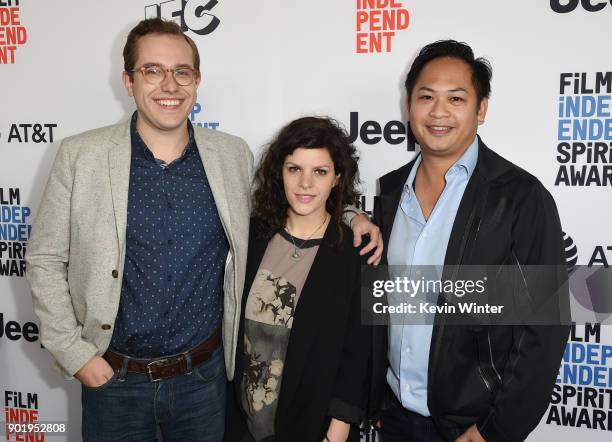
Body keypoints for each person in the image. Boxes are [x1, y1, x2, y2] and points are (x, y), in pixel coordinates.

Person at [25, 18, 381, 442]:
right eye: (152, 70)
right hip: (114, 381)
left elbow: (294, 196)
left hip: (205, 384)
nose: (169, 85)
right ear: (128, 80)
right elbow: (45, 259)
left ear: (197, 80)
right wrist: (75, 354)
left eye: (182, 72)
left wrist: (350, 216)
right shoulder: (80, 156)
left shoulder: (229, 156)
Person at [369, 40, 570, 442]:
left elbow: (546, 327)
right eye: (426, 97)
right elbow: (380, 306)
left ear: (481, 110)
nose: (438, 112)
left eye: (456, 98)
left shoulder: (520, 197)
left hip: (469, 428)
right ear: (409, 106)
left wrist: (495, 429)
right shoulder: (390, 192)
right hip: (391, 416)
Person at [226, 117, 371, 442]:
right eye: (295, 169)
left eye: (320, 171)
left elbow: (359, 351)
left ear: (337, 178)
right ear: (280, 172)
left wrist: (339, 427)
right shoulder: (251, 236)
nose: (306, 183)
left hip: (313, 426)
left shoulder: (355, 251)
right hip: (240, 424)